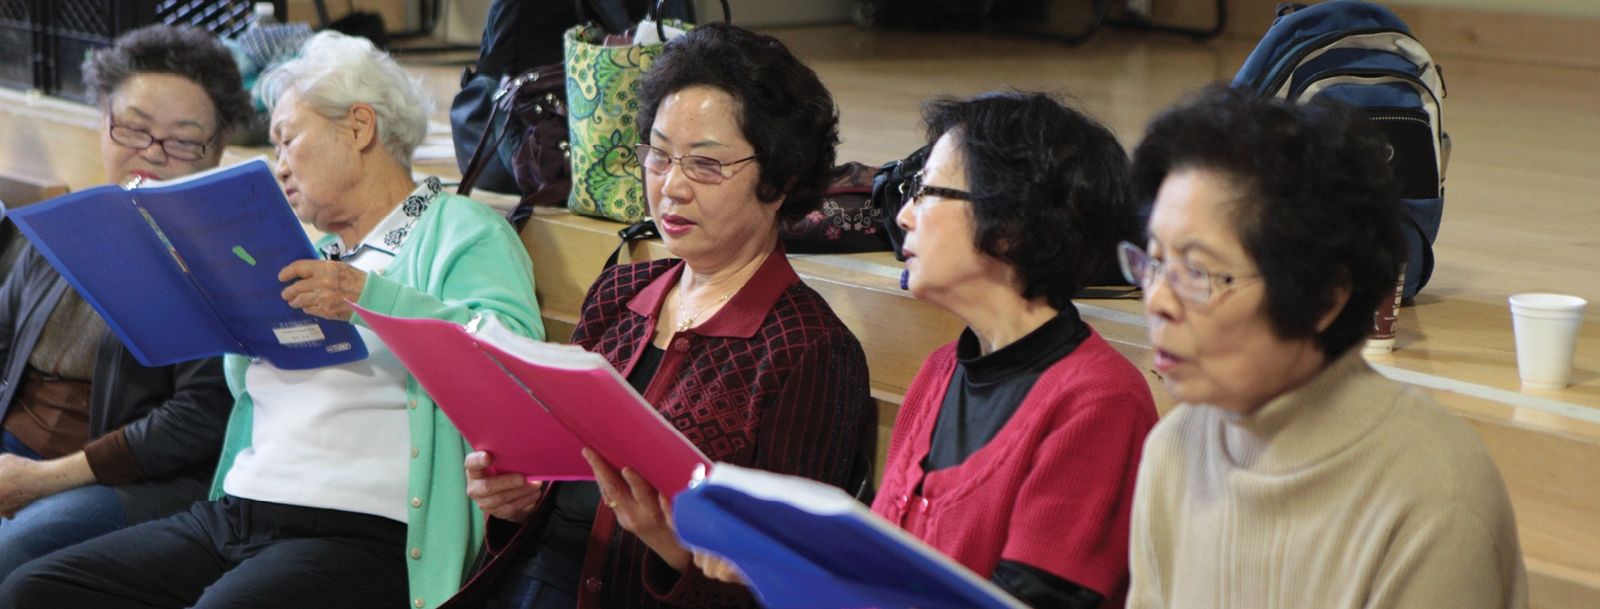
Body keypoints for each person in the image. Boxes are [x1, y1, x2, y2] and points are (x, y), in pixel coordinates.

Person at [0, 31, 544, 609]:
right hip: (238, 509)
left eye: (287, 140)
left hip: (358, 529)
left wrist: (372, 297)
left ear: (359, 128)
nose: (278, 165)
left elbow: (517, 369)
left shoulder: (460, 229)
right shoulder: (310, 248)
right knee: (37, 589)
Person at [445, 22, 875, 609]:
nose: (670, 187)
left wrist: (673, 549)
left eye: (704, 165)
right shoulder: (620, 291)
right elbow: (560, 497)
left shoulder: (809, 349)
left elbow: (792, 586)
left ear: (779, 179)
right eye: (658, 154)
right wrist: (517, 503)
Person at [701, 92, 1159, 608]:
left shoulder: (1099, 402)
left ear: (1009, 223)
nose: (903, 217)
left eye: (926, 191)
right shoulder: (940, 370)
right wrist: (773, 562)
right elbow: (877, 577)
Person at [1122, 86, 1527, 608]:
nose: (1156, 300)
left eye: (1196, 272)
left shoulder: (1433, 494)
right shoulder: (1174, 449)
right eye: (1153, 262)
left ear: (1324, 297)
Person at [0, 24, 249, 579]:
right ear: (103, 125)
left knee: (16, 548)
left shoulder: (223, 263)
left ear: (218, 151)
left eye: (183, 140)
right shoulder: (64, 225)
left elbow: (196, 420)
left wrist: (40, 479)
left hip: (133, 477)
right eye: (134, 129)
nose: (152, 154)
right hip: (20, 441)